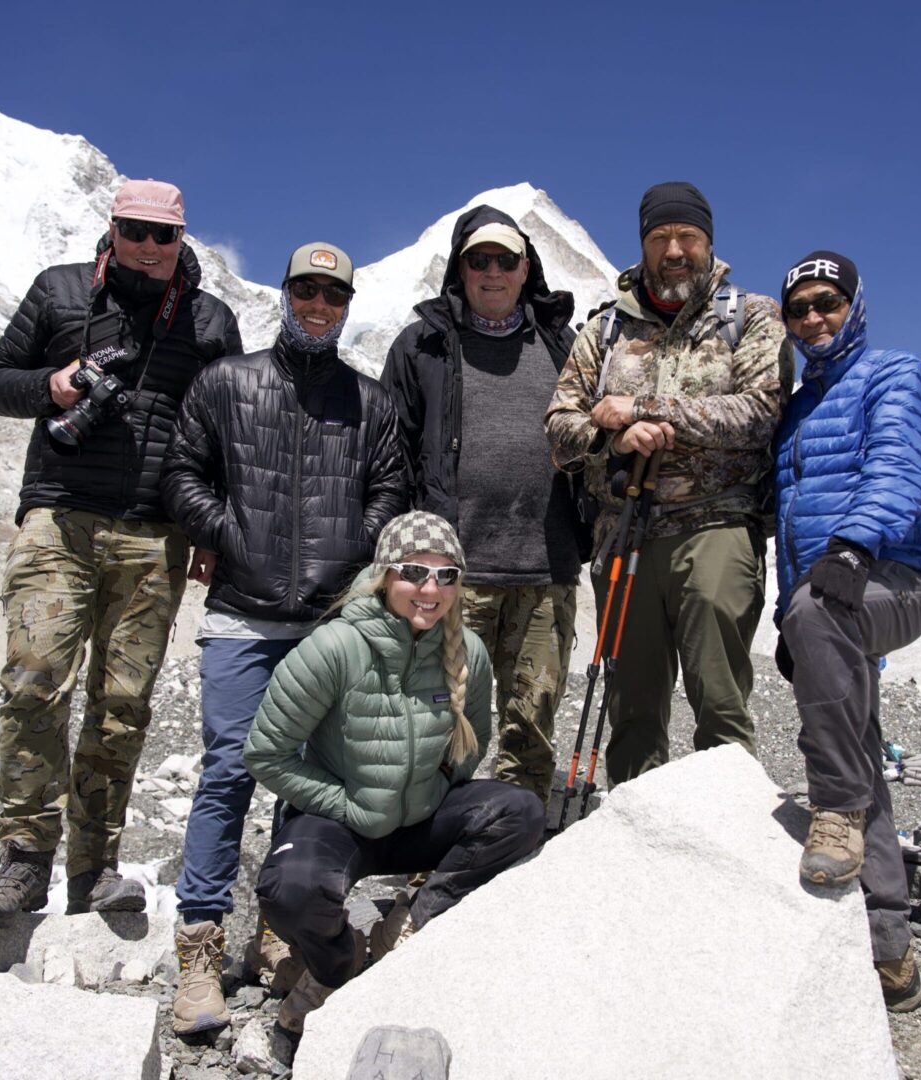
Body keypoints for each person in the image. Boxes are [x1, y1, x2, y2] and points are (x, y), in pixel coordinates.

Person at [0, 179, 238, 926]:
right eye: (135, 231)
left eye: (164, 236)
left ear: (184, 239)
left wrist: (211, 529)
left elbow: (224, 431)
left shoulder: (212, 321)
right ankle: (23, 861)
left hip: (157, 532)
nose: (149, 248)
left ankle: (95, 868)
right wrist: (53, 386)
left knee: (122, 705)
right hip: (59, 517)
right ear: (111, 229)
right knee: (34, 681)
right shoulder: (58, 294)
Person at [158, 242, 407, 1035]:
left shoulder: (369, 403)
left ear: (347, 304)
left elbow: (392, 489)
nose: (318, 305)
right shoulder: (226, 383)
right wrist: (227, 530)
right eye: (306, 289)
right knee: (230, 767)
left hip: (329, 624)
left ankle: (280, 930)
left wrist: (350, 551)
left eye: (333, 294)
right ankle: (199, 951)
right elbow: (181, 472)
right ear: (286, 293)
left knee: (302, 780)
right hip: (241, 613)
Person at [245, 511, 544, 1034]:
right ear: (384, 574)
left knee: (520, 812)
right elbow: (267, 753)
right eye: (414, 572)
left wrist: (436, 787)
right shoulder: (334, 647)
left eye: (446, 575)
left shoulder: (466, 651)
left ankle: (405, 927)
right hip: (342, 821)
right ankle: (336, 966)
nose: (430, 588)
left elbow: (470, 742)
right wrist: (344, 803)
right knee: (290, 891)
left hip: (419, 819)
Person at [544, 182, 791, 784]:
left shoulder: (752, 317)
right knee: (630, 706)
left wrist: (643, 409)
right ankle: (634, 838)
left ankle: (729, 833)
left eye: (687, 236)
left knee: (721, 700)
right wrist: (610, 438)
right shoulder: (602, 330)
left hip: (716, 524)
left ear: (708, 243)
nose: (674, 249)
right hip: (623, 535)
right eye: (660, 238)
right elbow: (559, 426)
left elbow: (760, 412)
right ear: (643, 246)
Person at [768, 250, 921, 1013]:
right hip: (829, 594)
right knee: (860, 743)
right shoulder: (798, 408)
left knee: (843, 776)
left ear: (855, 305)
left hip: (894, 577)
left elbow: (902, 467)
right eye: (799, 308)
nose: (813, 318)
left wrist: (852, 548)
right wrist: (792, 615)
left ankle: (832, 809)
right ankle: (889, 955)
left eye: (826, 302)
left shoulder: (895, 374)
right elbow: (786, 526)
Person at [380, 207, 585, 807]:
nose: (492, 271)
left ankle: (513, 845)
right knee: (443, 720)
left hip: (547, 568)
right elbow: (393, 455)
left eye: (506, 260)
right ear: (460, 269)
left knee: (533, 721)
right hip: (449, 576)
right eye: (479, 259)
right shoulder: (422, 346)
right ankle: (434, 853)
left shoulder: (563, 345)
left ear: (527, 269)